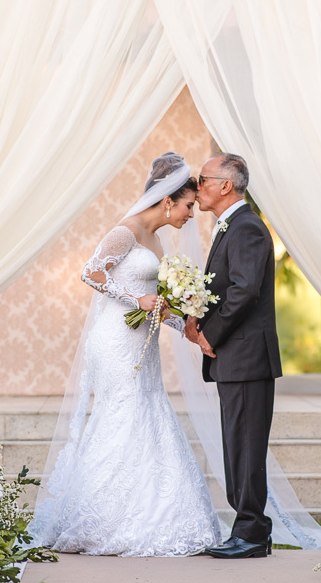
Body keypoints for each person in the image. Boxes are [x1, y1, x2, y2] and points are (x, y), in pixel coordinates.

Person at [31, 152, 220, 556]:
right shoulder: (126, 231)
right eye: (189, 206)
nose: (191, 214)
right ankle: (102, 515)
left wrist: (188, 328)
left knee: (147, 410)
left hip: (142, 342)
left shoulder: (157, 240)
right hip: (116, 341)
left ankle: (145, 510)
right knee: (122, 413)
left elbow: (159, 303)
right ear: (169, 200)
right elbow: (90, 273)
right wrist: (135, 296)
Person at [185, 153, 284, 559]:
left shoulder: (246, 228)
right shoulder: (234, 226)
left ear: (226, 185)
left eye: (203, 179)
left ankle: (252, 534)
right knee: (238, 445)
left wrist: (209, 332)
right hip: (236, 357)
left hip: (245, 357)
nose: (197, 186)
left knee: (245, 445)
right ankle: (248, 529)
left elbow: (244, 291)